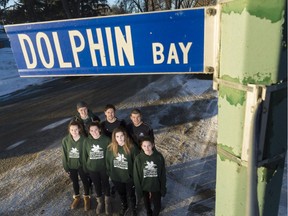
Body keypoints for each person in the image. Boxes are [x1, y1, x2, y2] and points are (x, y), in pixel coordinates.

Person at [105, 127, 139, 216]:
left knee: (131, 194)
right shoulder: (110, 148)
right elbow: (108, 162)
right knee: (121, 194)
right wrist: (111, 174)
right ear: (114, 138)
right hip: (116, 178)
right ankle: (125, 206)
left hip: (129, 178)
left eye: (121, 136)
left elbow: (137, 163)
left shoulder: (132, 147)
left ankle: (133, 208)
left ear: (125, 136)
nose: (120, 138)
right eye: (117, 136)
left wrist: (134, 176)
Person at [82, 122, 112, 215]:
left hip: (104, 168)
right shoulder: (86, 141)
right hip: (92, 168)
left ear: (99, 129)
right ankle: (100, 202)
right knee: (96, 185)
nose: (94, 132)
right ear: (89, 131)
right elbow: (84, 155)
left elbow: (110, 154)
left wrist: (109, 167)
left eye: (96, 130)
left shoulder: (106, 139)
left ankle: (107, 202)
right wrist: (85, 167)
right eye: (91, 130)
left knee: (106, 184)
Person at [61, 120, 91, 211]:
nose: (74, 132)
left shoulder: (84, 139)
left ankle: (86, 197)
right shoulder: (65, 140)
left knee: (85, 181)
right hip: (71, 165)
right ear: (69, 130)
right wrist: (66, 167)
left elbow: (87, 153)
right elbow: (64, 154)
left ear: (79, 129)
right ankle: (77, 196)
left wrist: (87, 165)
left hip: (82, 165)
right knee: (75, 182)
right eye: (72, 130)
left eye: (76, 129)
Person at [133, 137, 166, 216]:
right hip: (144, 186)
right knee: (146, 202)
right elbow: (136, 175)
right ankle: (149, 212)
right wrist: (138, 189)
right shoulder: (138, 159)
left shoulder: (159, 157)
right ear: (141, 146)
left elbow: (162, 174)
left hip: (156, 186)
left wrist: (163, 188)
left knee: (157, 206)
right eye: (144, 146)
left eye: (149, 145)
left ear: (153, 145)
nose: (147, 148)